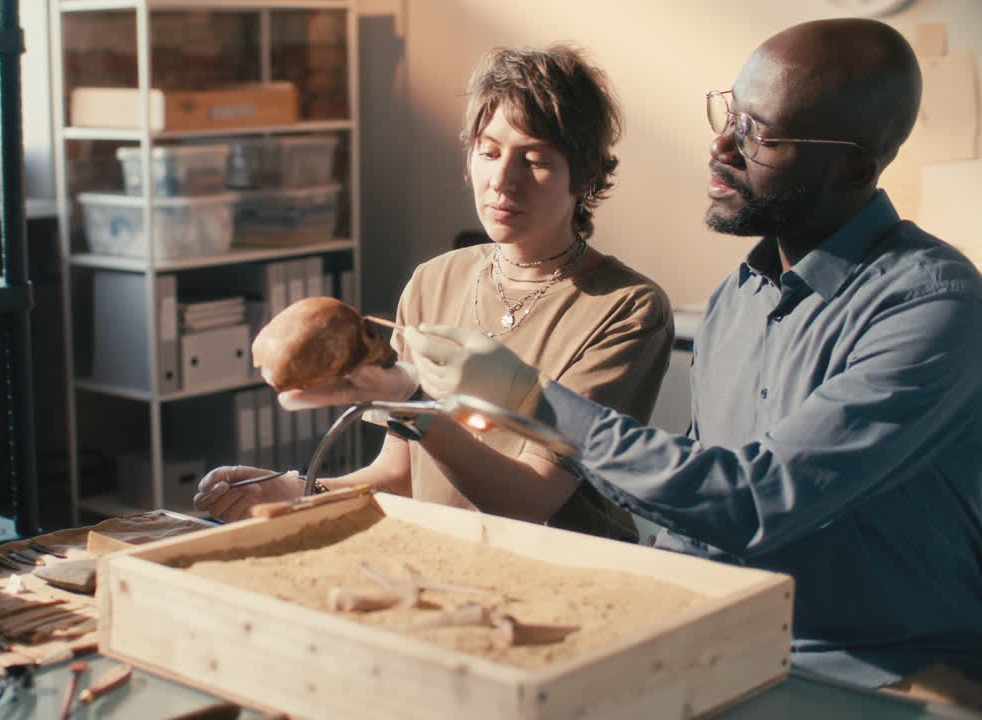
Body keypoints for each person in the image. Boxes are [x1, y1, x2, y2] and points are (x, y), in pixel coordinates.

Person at [402, 19, 982, 707]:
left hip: (878, 671)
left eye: (759, 134)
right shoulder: (738, 300)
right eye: (728, 112)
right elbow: (693, 508)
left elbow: (749, 502)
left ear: (852, 167)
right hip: (727, 637)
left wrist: (530, 398)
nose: (721, 145)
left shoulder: (934, 305)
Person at [195, 44, 674, 539]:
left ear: (587, 174)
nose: (502, 181)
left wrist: (415, 402)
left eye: (534, 159)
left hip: (567, 574)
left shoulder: (627, 308)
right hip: (442, 558)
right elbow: (400, 476)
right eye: (488, 152)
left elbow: (530, 500)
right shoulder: (433, 280)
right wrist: (295, 492)